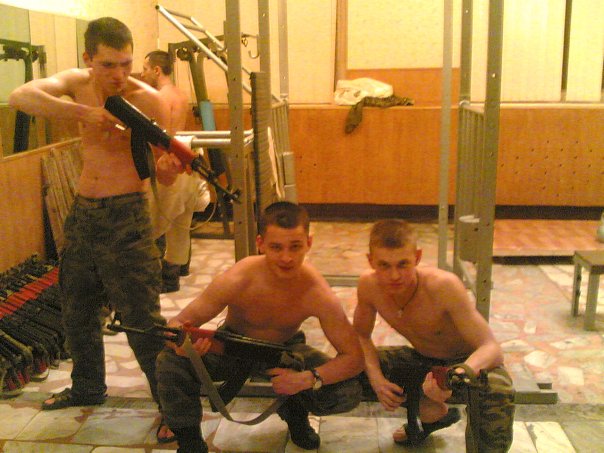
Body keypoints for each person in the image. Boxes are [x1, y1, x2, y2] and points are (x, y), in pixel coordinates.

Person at [8, 17, 183, 443]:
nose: (119, 75)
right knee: (77, 307)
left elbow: (163, 171)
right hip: (83, 211)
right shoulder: (77, 84)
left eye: (126, 64)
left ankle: (174, 408)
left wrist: (169, 168)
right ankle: (88, 386)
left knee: (142, 319)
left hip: (128, 216)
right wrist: (83, 112)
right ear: (88, 59)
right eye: (108, 65)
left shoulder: (148, 101)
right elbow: (20, 96)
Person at [156, 201, 364, 452]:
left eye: (295, 246)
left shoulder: (317, 292)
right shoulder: (238, 278)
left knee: (347, 390)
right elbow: (176, 324)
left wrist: (308, 379)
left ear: (308, 243)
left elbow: (354, 358)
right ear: (261, 243)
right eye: (276, 247)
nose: (286, 257)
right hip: (232, 345)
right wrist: (181, 346)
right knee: (170, 361)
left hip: (284, 352)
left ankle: (296, 416)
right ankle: (190, 443)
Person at [353, 220, 515, 452]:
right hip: (423, 360)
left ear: (417, 257)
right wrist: (377, 379)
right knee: (351, 367)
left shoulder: (443, 286)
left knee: (497, 389)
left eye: (403, 264)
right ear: (370, 261)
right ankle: (431, 417)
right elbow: (361, 335)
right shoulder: (368, 286)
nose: (394, 275)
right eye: (384, 265)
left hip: (464, 365)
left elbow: (491, 348)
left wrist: (453, 377)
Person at [140, 49, 207, 292]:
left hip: (168, 161)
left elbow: (161, 138)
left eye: (145, 69)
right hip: (184, 157)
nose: (143, 74)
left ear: (157, 70)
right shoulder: (181, 95)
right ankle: (177, 271)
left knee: (157, 221)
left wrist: (158, 167)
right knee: (181, 221)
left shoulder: (159, 98)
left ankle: (164, 277)